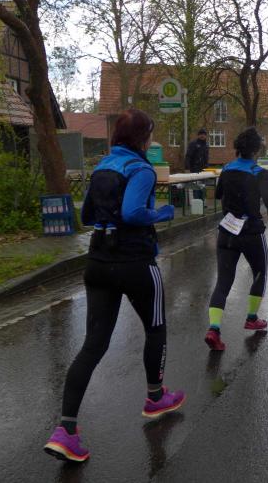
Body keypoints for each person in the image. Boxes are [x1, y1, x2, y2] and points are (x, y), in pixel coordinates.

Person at [44, 109, 184, 463]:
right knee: (156, 328)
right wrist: (161, 213)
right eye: (149, 135)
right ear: (142, 138)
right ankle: (155, 397)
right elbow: (134, 212)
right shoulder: (141, 169)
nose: (150, 141)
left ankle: (66, 431)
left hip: (98, 262)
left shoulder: (103, 166)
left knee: (93, 345)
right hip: (135, 261)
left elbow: (87, 216)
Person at [204, 127, 268, 352]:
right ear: (256, 150)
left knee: (223, 282)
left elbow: (219, 195)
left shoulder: (226, 169)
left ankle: (214, 329)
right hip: (251, 232)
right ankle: (252, 318)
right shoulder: (259, 172)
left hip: (227, 231)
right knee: (260, 272)